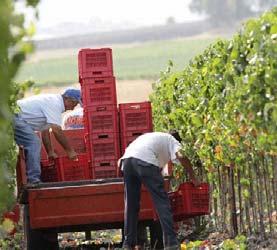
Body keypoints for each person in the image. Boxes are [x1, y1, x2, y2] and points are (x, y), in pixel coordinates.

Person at [119, 131, 199, 250]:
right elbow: (181, 156)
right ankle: (171, 243)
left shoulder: (153, 138)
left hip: (127, 162)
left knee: (131, 205)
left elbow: (122, 161)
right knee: (162, 202)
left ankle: (128, 243)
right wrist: (193, 177)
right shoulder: (172, 140)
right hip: (144, 161)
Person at [13, 88, 82, 184]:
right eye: (74, 104)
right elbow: (56, 130)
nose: (73, 108)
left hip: (16, 116)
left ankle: (33, 179)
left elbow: (45, 131)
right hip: (14, 116)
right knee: (34, 142)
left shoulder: (53, 102)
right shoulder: (55, 104)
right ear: (68, 99)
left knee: (34, 142)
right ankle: (33, 180)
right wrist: (70, 151)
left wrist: (50, 152)